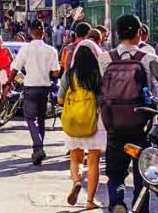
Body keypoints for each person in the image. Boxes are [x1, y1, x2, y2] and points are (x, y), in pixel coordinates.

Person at [104, 15, 158, 213]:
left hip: (114, 125)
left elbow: (100, 91)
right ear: (140, 33)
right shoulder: (149, 58)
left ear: (116, 33)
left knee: (115, 174)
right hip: (142, 126)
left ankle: (117, 202)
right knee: (143, 175)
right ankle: (140, 209)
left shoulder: (106, 58)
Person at [7, 20, 60, 165]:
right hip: (45, 88)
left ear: (30, 32)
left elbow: (15, 68)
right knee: (41, 120)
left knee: (31, 119)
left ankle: (38, 147)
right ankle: (37, 149)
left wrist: (8, 83)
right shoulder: (51, 50)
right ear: (43, 32)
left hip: (30, 87)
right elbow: (55, 73)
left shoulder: (26, 49)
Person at [59, 42, 105, 209]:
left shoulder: (69, 75)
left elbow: (60, 99)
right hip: (94, 122)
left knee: (74, 158)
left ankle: (77, 181)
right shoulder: (98, 75)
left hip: (73, 121)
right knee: (93, 162)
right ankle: (89, 201)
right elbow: (102, 99)